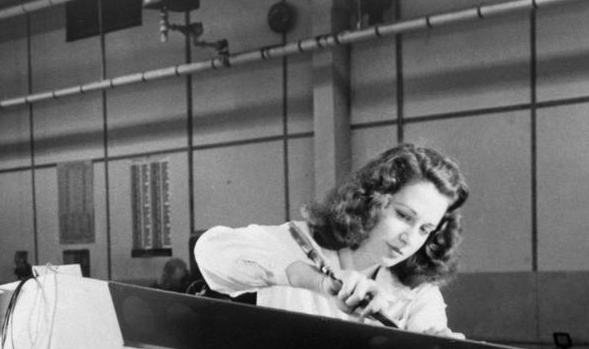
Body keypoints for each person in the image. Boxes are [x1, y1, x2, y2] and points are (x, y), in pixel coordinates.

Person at [194, 143, 468, 336]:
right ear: (373, 199)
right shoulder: (297, 240)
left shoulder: (418, 290)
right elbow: (209, 251)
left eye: (425, 229)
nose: (409, 238)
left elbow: (428, 331)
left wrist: (438, 344)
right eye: (404, 216)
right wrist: (320, 282)